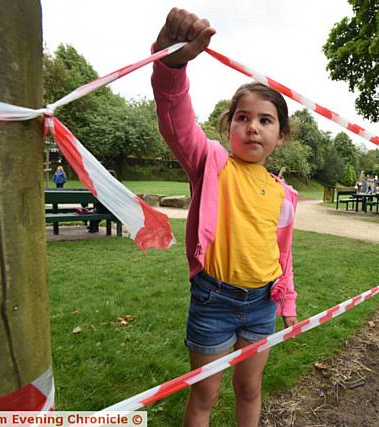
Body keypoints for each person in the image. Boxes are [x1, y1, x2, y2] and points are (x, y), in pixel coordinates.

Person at [151, 8, 298, 426]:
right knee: (206, 393)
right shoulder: (211, 163)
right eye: (243, 117)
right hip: (213, 302)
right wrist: (172, 62)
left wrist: (286, 299)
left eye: (265, 120)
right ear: (228, 126)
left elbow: (282, 253)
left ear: (280, 136)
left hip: (261, 305)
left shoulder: (284, 194)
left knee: (250, 389)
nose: (253, 127)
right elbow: (175, 120)